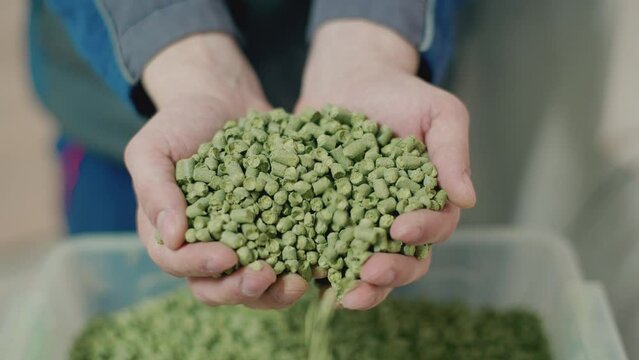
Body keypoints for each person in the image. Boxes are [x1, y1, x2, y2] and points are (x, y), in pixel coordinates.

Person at [29, 0, 475, 310]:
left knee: (387, 280)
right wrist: (187, 62)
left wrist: (372, 42)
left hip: (382, 42)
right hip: (132, 86)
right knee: (119, 282)